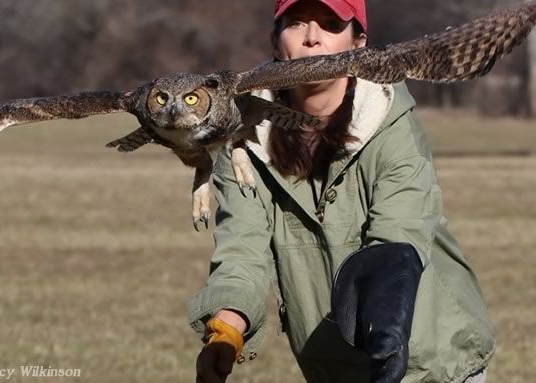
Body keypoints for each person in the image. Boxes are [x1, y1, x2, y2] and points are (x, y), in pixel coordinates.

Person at [187, 1, 495, 382]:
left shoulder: (392, 127)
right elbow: (242, 251)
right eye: (297, 23)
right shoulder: (240, 143)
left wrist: (386, 331)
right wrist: (227, 330)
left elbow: (397, 240)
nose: (313, 38)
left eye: (331, 24)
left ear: (358, 44)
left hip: (430, 359)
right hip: (331, 367)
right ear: (275, 40)